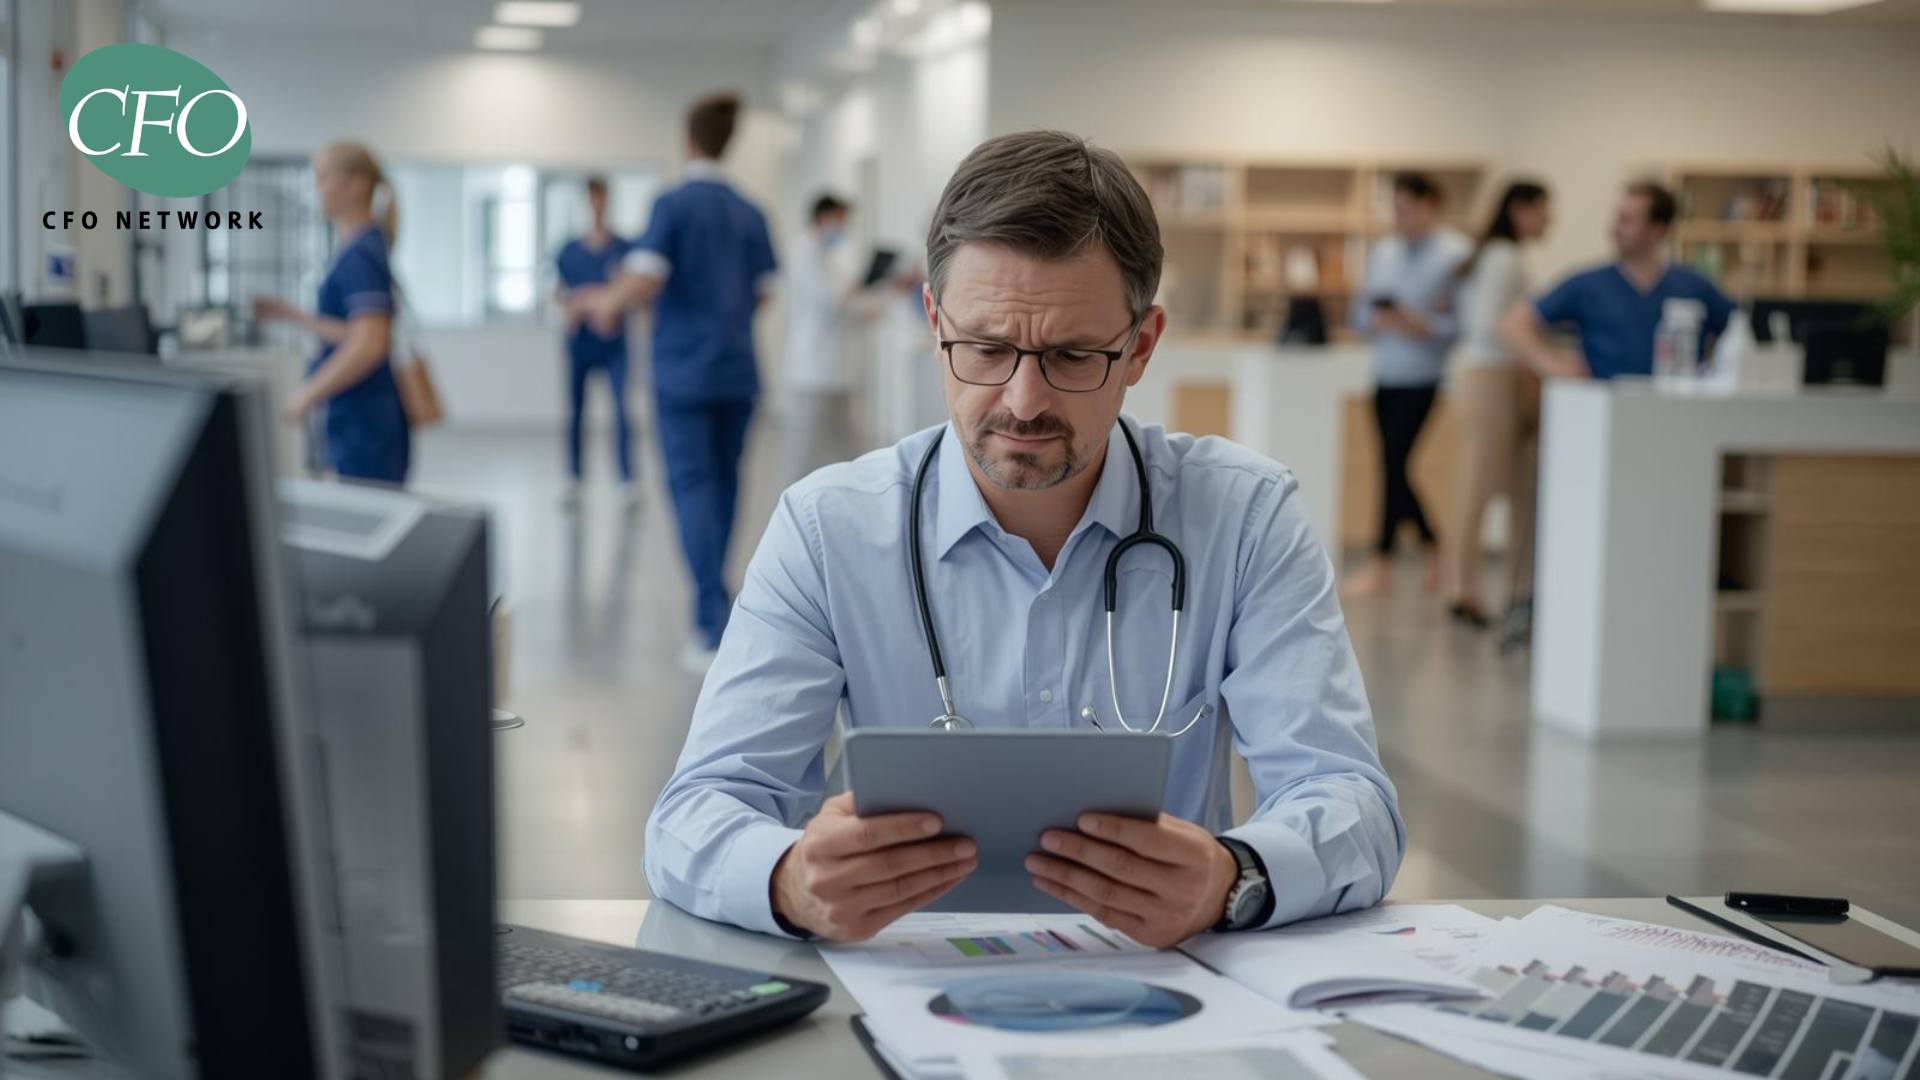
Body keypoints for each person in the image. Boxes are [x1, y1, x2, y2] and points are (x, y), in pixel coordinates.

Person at [644, 130, 1403, 947]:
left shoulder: (1244, 520)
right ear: (935, 322)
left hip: (1169, 996)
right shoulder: (830, 530)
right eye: (986, 348)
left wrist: (1236, 875)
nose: (1024, 400)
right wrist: (788, 879)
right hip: (902, 979)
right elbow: (696, 812)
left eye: (1073, 355)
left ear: (1141, 346)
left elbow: (1349, 799)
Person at [588, 92, 778, 673]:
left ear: (688, 141)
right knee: (724, 486)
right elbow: (765, 291)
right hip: (738, 371)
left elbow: (645, 277)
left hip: (683, 375)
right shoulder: (751, 211)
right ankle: (719, 607)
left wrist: (608, 301)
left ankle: (708, 623)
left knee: (692, 488)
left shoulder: (671, 205)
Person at [1344, 173, 1471, 599]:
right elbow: (1359, 314)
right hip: (1385, 373)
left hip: (1424, 375)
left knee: (1393, 464)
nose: (1398, 218)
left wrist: (1421, 323)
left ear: (1429, 205)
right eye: (1394, 209)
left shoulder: (1457, 255)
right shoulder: (1384, 253)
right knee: (1394, 465)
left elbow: (1461, 324)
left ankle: (1382, 563)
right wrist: (1377, 319)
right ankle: (1434, 546)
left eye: (1405, 209)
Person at [255, 141, 409, 485]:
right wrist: (292, 315)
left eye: (324, 177)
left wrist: (307, 394)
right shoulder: (359, 246)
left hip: (363, 419)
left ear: (357, 184)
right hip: (359, 415)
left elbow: (371, 343)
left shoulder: (360, 253)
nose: (316, 188)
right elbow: (354, 334)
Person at [1444, 181, 1550, 640]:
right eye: (1545, 210)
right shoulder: (1504, 257)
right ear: (1521, 209)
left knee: (1517, 487)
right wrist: (1539, 353)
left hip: (1488, 376)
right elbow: (1493, 326)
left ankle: (1519, 590)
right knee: (1479, 487)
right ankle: (1462, 591)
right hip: (1491, 378)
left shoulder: (1491, 254)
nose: (1551, 219)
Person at [1500, 181, 1735, 382]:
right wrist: (1554, 367)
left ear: (1657, 230)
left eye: (1626, 220)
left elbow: (1740, 332)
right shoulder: (1588, 284)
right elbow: (1514, 324)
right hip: (1607, 410)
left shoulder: (1693, 286)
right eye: (1617, 217)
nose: (1614, 228)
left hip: (1676, 411)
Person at [554, 176, 637, 508]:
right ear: (585, 202)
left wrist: (605, 302)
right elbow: (558, 293)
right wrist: (574, 306)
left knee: (621, 410)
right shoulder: (569, 251)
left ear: (607, 201)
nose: (596, 205)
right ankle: (573, 476)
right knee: (575, 411)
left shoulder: (624, 248)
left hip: (614, 342)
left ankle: (626, 479)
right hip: (580, 343)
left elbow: (633, 290)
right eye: (591, 199)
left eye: (601, 198)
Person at [783, 192, 862, 486]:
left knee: (851, 447)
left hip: (836, 370)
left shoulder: (830, 256)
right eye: (841, 220)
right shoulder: (804, 252)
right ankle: (787, 521)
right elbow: (829, 301)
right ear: (824, 217)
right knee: (802, 456)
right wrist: (857, 288)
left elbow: (845, 304)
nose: (843, 227)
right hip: (811, 371)